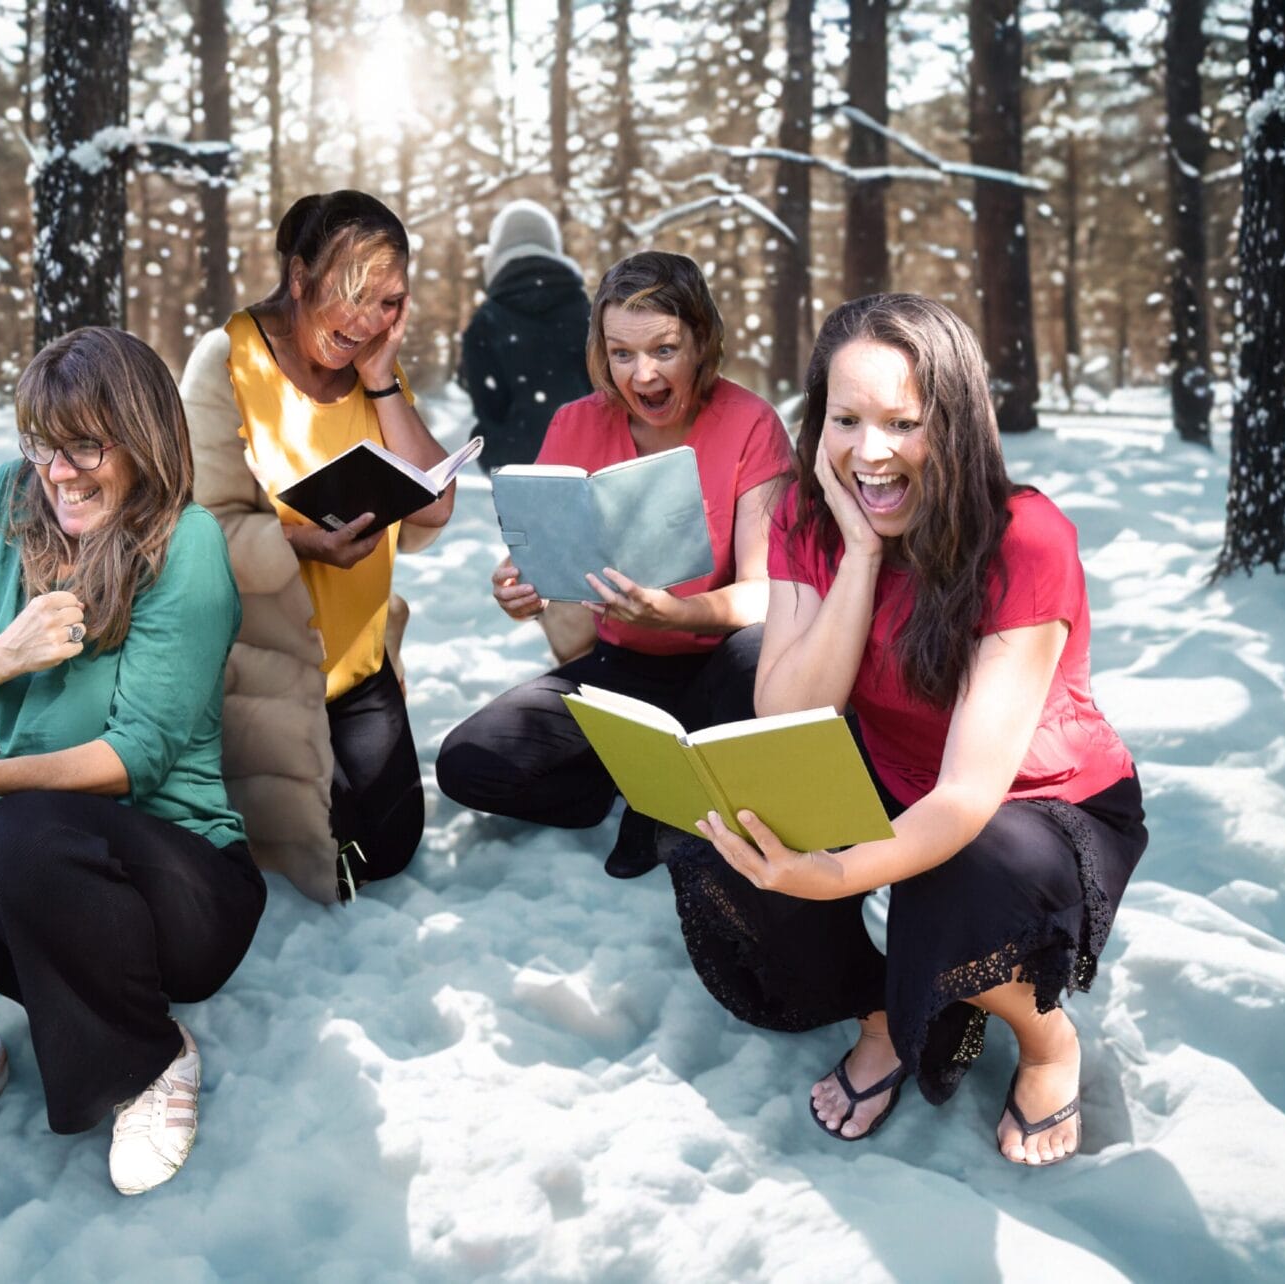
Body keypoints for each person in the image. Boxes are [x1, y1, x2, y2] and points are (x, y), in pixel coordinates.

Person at [690, 293, 1147, 1167]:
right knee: (734, 848)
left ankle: (1048, 1040)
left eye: (905, 422)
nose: (872, 451)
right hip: (894, 776)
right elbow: (789, 713)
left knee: (956, 879)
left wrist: (834, 874)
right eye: (847, 419)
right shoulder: (806, 517)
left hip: (1038, 806)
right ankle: (890, 1016)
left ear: (958, 422)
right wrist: (860, 556)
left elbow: (970, 797)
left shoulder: (1025, 539)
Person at [0, 327, 265, 1197]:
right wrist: (5, 656)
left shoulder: (187, 546)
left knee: (19, 836)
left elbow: (136, 756)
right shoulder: (8, 500)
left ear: (142, 439)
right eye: (39, 444)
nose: (57, 473)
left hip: (178, 891)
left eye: (82, 447)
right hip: (30, 882)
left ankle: (145, 1060)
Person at [434, 251, 796, 880]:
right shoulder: (575, 422)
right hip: (619, 671)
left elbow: (768, 594)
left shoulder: (750, 423)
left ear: (702, 342)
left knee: (754, 651)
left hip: (723, 670)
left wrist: (679, 613)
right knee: (467, 763)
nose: (643, 373)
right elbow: (549, 556)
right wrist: (529, 587)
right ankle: (631, 785)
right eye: (622, 353)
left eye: (664, 349)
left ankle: (671, 801)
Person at [178, 191, 454, 903]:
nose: (367, 322)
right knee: (322, 862)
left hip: (356, 671)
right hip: (262, 676)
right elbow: (193, 531)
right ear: (300, 278)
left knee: (385, 850)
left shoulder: (372, 373)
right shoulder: (225, 361)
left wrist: (383, 382)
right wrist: (303, 542)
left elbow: (435, 510)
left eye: (389, 303)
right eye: (351, 296)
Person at [456, 198, 592, 473]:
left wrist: (496, 448)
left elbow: (487, 410)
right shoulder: (590, 313)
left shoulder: (486, 321)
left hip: (518, 470)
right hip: (591, 463)